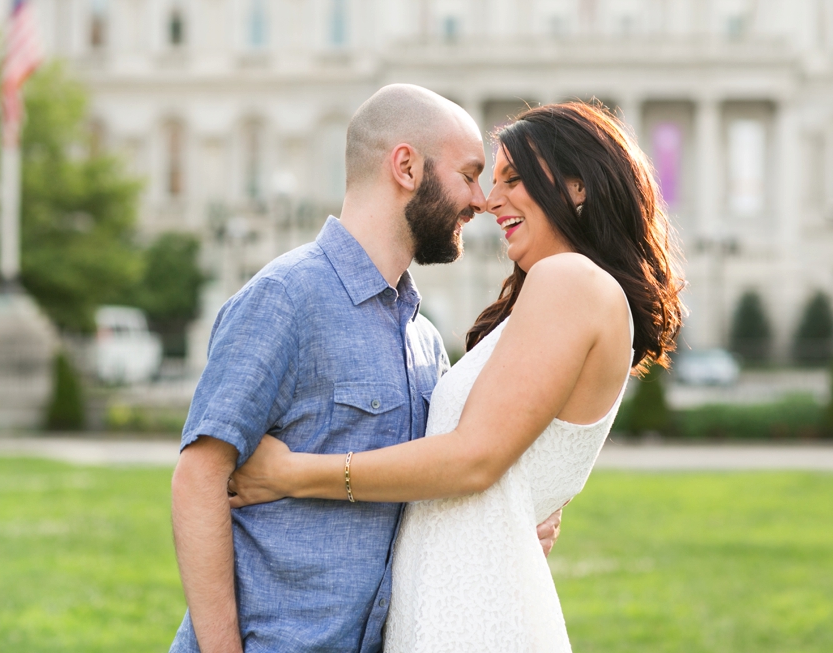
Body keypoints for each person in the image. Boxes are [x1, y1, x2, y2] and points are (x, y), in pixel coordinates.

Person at [226, 101, 685, 651]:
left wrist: (292, 474)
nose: (490, 201)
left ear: (578, 186)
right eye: (488, 180)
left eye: (514, 179)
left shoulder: (569, 280)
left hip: (473, 616)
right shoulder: (571, 289)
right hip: (461, 598)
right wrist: (522, 514)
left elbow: (472, 459)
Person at [168, 84, 562, 653]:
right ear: (406, 166)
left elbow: (426, 488)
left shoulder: (426, 341)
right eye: (469, 174)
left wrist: (507, 528)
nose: (481, 200)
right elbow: (198, 478)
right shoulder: (286, 297)